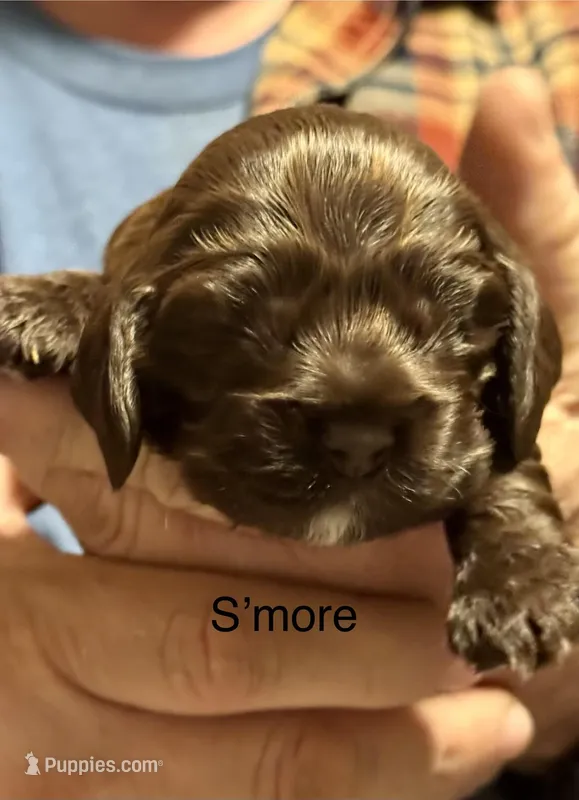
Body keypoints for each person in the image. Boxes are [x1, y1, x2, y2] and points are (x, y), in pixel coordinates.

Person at [1, 1, 579, 797]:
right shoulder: (127, 299)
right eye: (241, 321)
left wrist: (535, 583)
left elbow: (505, 444)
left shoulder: (539, 37)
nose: (356, 440)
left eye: (444, 318)